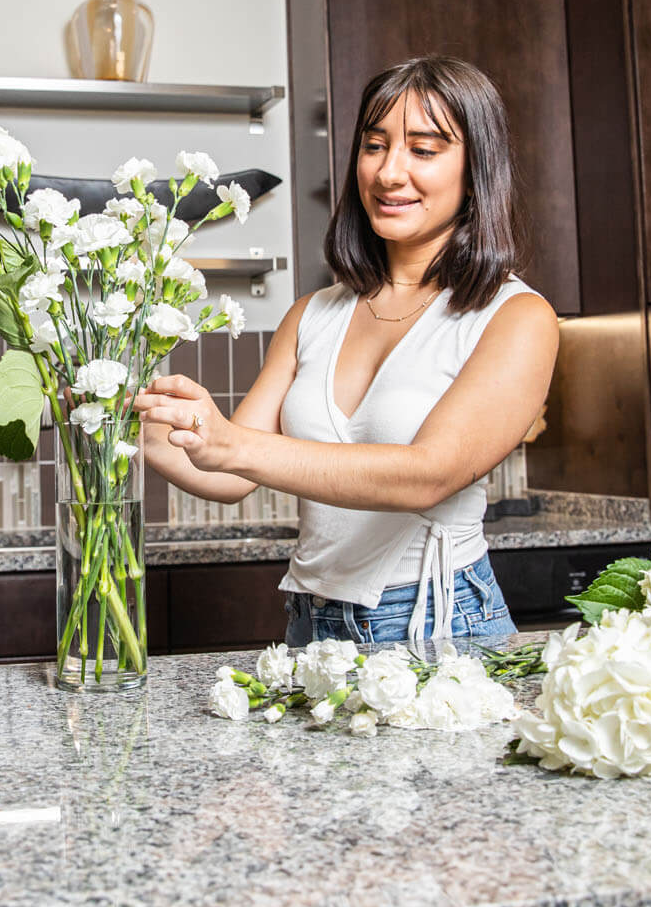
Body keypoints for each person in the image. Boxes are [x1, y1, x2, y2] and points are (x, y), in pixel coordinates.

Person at [133, 55, 558, 647]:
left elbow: (426, 477)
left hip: (440, 622)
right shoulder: (314, 315)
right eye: (375, 145)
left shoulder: (514, 317)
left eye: (424, 150)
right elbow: (230, 474)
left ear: (475, 169)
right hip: (312, 623)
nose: (389, 173)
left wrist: (233, 443)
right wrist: (142, 423)